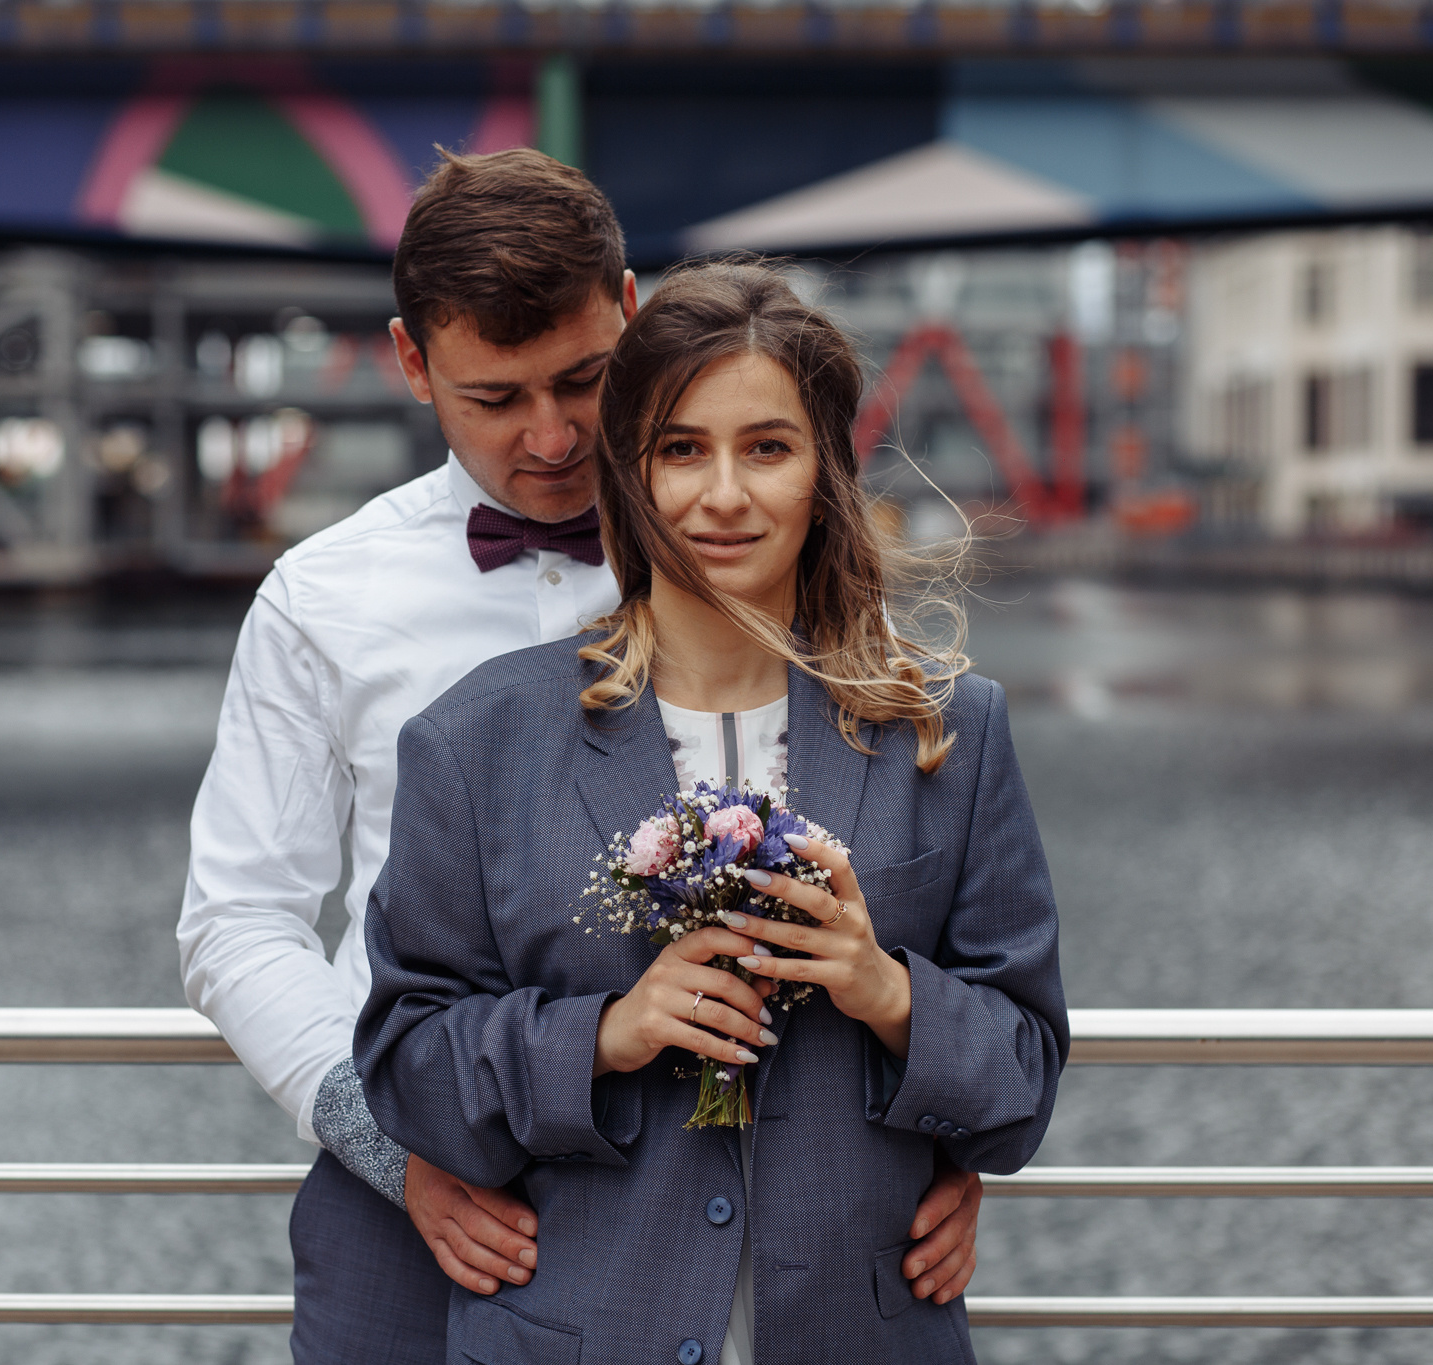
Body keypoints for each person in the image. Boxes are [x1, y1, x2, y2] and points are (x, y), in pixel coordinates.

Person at [178, 154, 985, 1363]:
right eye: (492, 399)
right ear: (410, 363)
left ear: (629, 310)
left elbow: (916, 857)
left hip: (740, 1208)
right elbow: (238, 921)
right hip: (422, 1198)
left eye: (582, 381)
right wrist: (396, 1156)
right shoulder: (321, 597)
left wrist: (927, 1140)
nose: (550, 439)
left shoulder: (748, 540)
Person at [356, 260, 1066, 1363]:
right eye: (682, 449)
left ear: (823, 469)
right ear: (628, 473)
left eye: (766, 448)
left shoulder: (949, 730)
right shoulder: (473, 742)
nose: (722, 495)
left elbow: (1021, 1085)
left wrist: (887, 995)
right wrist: (602, 1036)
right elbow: (405, 1066)